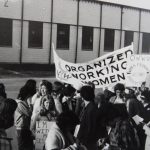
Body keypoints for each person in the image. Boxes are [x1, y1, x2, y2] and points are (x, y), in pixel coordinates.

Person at [15, 80, 36, 150]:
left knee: (28, 146)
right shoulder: (20, 103)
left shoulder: (21, 103)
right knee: (23, 146)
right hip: (21, 128)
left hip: (24, 127)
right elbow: (29, 113)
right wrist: (31, 105)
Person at [77, 85, 100, 150]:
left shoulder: (91, 109)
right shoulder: (90, 107)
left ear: (82, 96)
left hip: (87, 143)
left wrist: (81, 141)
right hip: (88, 142)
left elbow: (89, 128)